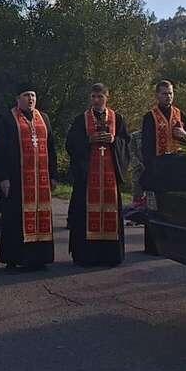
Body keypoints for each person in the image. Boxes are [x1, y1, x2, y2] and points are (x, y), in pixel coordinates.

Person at [0, 84, 58, 269]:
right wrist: (3, 177)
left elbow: (51, 148)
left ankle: (40, 258)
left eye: (33, 95)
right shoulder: (7, 119)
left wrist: (53, 175)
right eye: (27, 95)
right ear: (17, 99)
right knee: (14, 219)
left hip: (41, 181)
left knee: (41, 217)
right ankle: (14, 259)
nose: (31, 99)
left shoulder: (43, 118)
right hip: (17, 180)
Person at [65, 84, 131, 266]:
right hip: (88, 178)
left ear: (107, 97)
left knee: (110, 212)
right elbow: (70, 144)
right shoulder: (81, 119)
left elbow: (127, 143)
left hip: (109, 177)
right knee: (85, 214)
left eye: (100, 96)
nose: (96, 100)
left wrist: (114, 141)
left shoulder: (117, 118)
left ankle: (110, 255)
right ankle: (86, 255)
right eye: (93, 96)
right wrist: (88, 140)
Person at [140, 80, 186, 189]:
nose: (168, 96)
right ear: (157, 95)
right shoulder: (150, 116)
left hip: (178, 163)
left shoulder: (180, 114)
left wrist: (184, 134)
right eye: (164, 94)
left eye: (170, 93)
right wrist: (150, 165)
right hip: (158, 164)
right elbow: (146, 144)